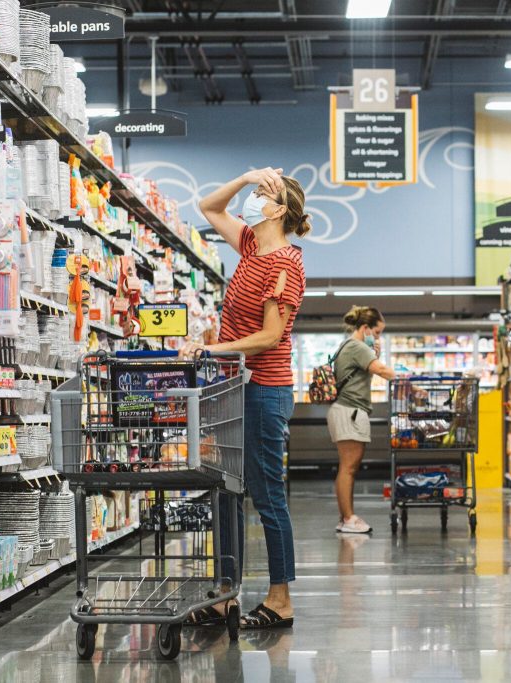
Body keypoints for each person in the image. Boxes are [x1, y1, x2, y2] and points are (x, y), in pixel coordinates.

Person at [182, 167, 308, 630]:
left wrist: (209, 349)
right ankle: (226, 594)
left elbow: (272, 336)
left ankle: (280, 600)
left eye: (258, 195)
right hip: (236, 387)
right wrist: (241, 178)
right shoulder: (253, 248)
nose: (250, 200)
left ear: (277, 210)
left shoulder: (285, 265)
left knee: (266, 494)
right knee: (227, 491)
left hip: (264, 390)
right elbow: (209, 208)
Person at [328, 306, 396, 534]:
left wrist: (374, 351)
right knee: (348, 468)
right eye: (377, 333)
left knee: (348, 467)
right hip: (350, 412)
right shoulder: (357, 346)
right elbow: (381, 370)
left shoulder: (350, 345)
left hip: (347, 411)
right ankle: (348, 519)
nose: (378, 337)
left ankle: (346, 517)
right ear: (365, 328)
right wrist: (408, 380)